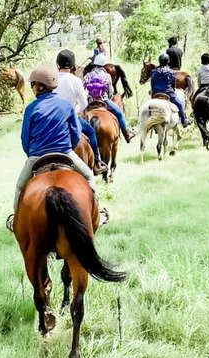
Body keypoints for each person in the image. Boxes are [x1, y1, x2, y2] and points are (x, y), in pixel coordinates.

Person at [8, 65, 103, 228]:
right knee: (88, 176)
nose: (32, 88)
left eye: (32, 85)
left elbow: (25, 139)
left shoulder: (31, 108)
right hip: (65, 152)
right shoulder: (66, 105)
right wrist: (68, 148)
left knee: (19, 187)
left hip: (37, 156)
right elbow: (75, 133)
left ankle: (16, 221)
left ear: (39, 86)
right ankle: (97, 215)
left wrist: (32, 154)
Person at [54, 50, 107, 176]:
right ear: (73, 66)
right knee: (91, 132)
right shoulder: (76, 80)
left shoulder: (52, 79)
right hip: (72, 118)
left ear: (57, 65)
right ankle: (97, 164)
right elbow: (83, 104)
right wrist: (73, 112)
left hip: (53, 119)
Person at [83, 54, 136, 143]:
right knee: (120, 114)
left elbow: (82, 87)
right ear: (104, 63)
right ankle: (127, 134)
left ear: (95, 63)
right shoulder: (107, 76)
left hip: (90, 102)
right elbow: (110, 92)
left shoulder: (88, 75)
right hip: (104, 100)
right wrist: (107, 97)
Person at [150, 53, 190, 127]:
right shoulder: (171, 72)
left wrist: (153, 91)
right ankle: (184, 120)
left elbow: (152, 83)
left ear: (159, 61)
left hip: (156, 93)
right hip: (168, 93)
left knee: (149, 106)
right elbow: (173, 83)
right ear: (168, 62)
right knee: (180, 104)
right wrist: (173, 90)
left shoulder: (154, 72)